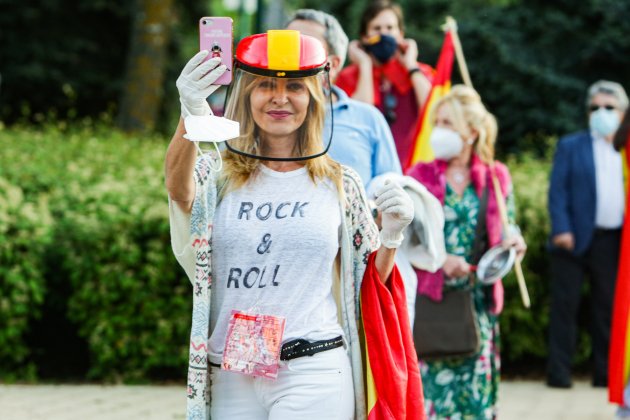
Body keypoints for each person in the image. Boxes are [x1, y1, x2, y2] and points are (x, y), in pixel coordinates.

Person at [165, 30, 416, 419]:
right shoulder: (218, 174)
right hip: (234, 368)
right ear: (247, 95)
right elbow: (179, 192)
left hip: (314, 366)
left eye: (295, 87)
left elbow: (368, 283)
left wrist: (392, 236)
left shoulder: (339, 181)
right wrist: (189, 113)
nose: (280, 98)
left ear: (313, 99)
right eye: (265, 85)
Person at [406, 85, 526, 419]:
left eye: (447, 123)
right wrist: (440, 261)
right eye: (437, 122)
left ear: (471, 132)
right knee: (432, 395)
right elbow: (403, 241)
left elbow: (507, 226)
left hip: (477, 303)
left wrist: (514, 243)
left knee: (476, 397)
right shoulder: (419, 176)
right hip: (432, 301)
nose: (438, 131)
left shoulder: (495, 176)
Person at [547, 80, 629, 389]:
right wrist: (561, 229)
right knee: (565, 308)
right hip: (572, 239)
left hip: (613, 241)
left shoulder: (625, 147)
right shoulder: (571, 145)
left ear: (622, 113)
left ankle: (606, 375)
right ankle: (559, 375)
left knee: (607, 308)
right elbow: (557, 191)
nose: (601, 113)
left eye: (609, 107)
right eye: (595, 107)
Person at [285, 9, 402, 190]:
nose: (290, 55)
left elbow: (393, 186)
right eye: (285, 44)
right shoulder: (264, 113)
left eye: (304, 47)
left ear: (333, 64)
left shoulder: (369, 118)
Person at [335, 0, 433, 167]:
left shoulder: (419, 72)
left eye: (390, 28)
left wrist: (411, 65)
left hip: (415, 166)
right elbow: (357, 117)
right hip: (366, 166)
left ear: (401, 34)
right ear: (365, 37)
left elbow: (433, 110)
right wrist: (365, 65)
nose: (384, 34)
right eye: (376, 29)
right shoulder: (348, 76)